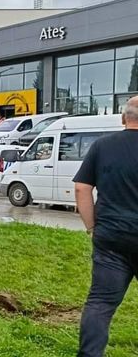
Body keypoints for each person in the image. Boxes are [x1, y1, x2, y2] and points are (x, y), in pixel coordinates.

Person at [74, 96, 138, 357]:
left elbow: (81, 188)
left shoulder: (102, 146)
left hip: (111, 239)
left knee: (100, 304)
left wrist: (92, 228)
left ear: (124, 118)